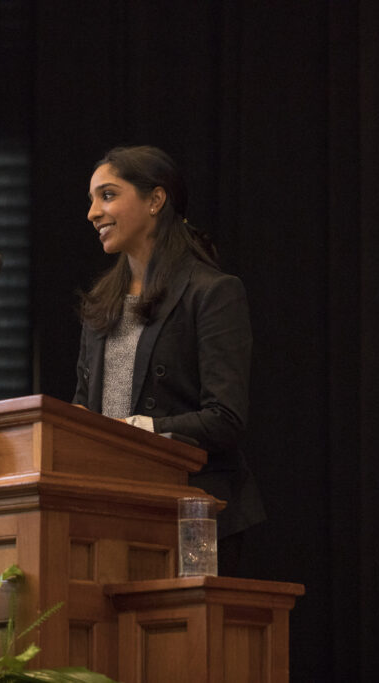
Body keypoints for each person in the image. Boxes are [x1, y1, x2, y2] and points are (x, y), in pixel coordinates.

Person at [72, 145, 264, 575]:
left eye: (106, 196)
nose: (92, 213)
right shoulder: (101, 305)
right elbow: (86, 413)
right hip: (114, 515)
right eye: (91, 200)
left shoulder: (212, 293)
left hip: (193, 514)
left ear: (155, 200)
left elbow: (225, 418)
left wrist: (136, 432)